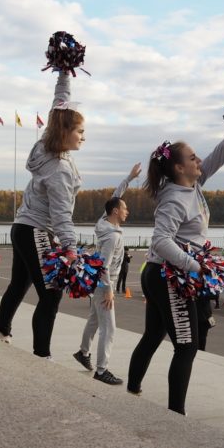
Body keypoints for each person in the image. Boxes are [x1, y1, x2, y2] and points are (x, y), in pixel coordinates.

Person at [128, 131, 224, 415]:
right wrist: (196, 266)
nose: (199, 160)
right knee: (187, 346)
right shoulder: (175, 199)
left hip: (161, 273)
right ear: (179, 168)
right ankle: (176, 414)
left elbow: (217, 156)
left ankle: (132, 391)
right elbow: (160, 241)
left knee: (153, 335)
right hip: (167, 276)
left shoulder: (194, 183)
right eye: (192, 158)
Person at [0, 71, 84, 357]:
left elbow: (59, 105)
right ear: (64, 132)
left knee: (20, 284)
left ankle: (1, 332)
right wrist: (69, 247)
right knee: (51, 293)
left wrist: (64, 75)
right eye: (80, 131)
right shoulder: (59, 168)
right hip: (36, 230)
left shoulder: (44, 147)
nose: (84, 136)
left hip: (22, 226)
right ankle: (41, 356)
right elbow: (61, 214)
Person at [73, 163, 141, 385]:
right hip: (104, 284)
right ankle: (102, 370)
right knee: (109, 329)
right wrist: (110, 290)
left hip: (98, 284)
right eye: (124, 208)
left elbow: (115, 196)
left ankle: (83, 353)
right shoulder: (113, 237)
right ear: (115, 212)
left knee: (94, 320)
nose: (127, 211)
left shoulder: (102, 223)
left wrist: (129, 178)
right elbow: (103, 265)